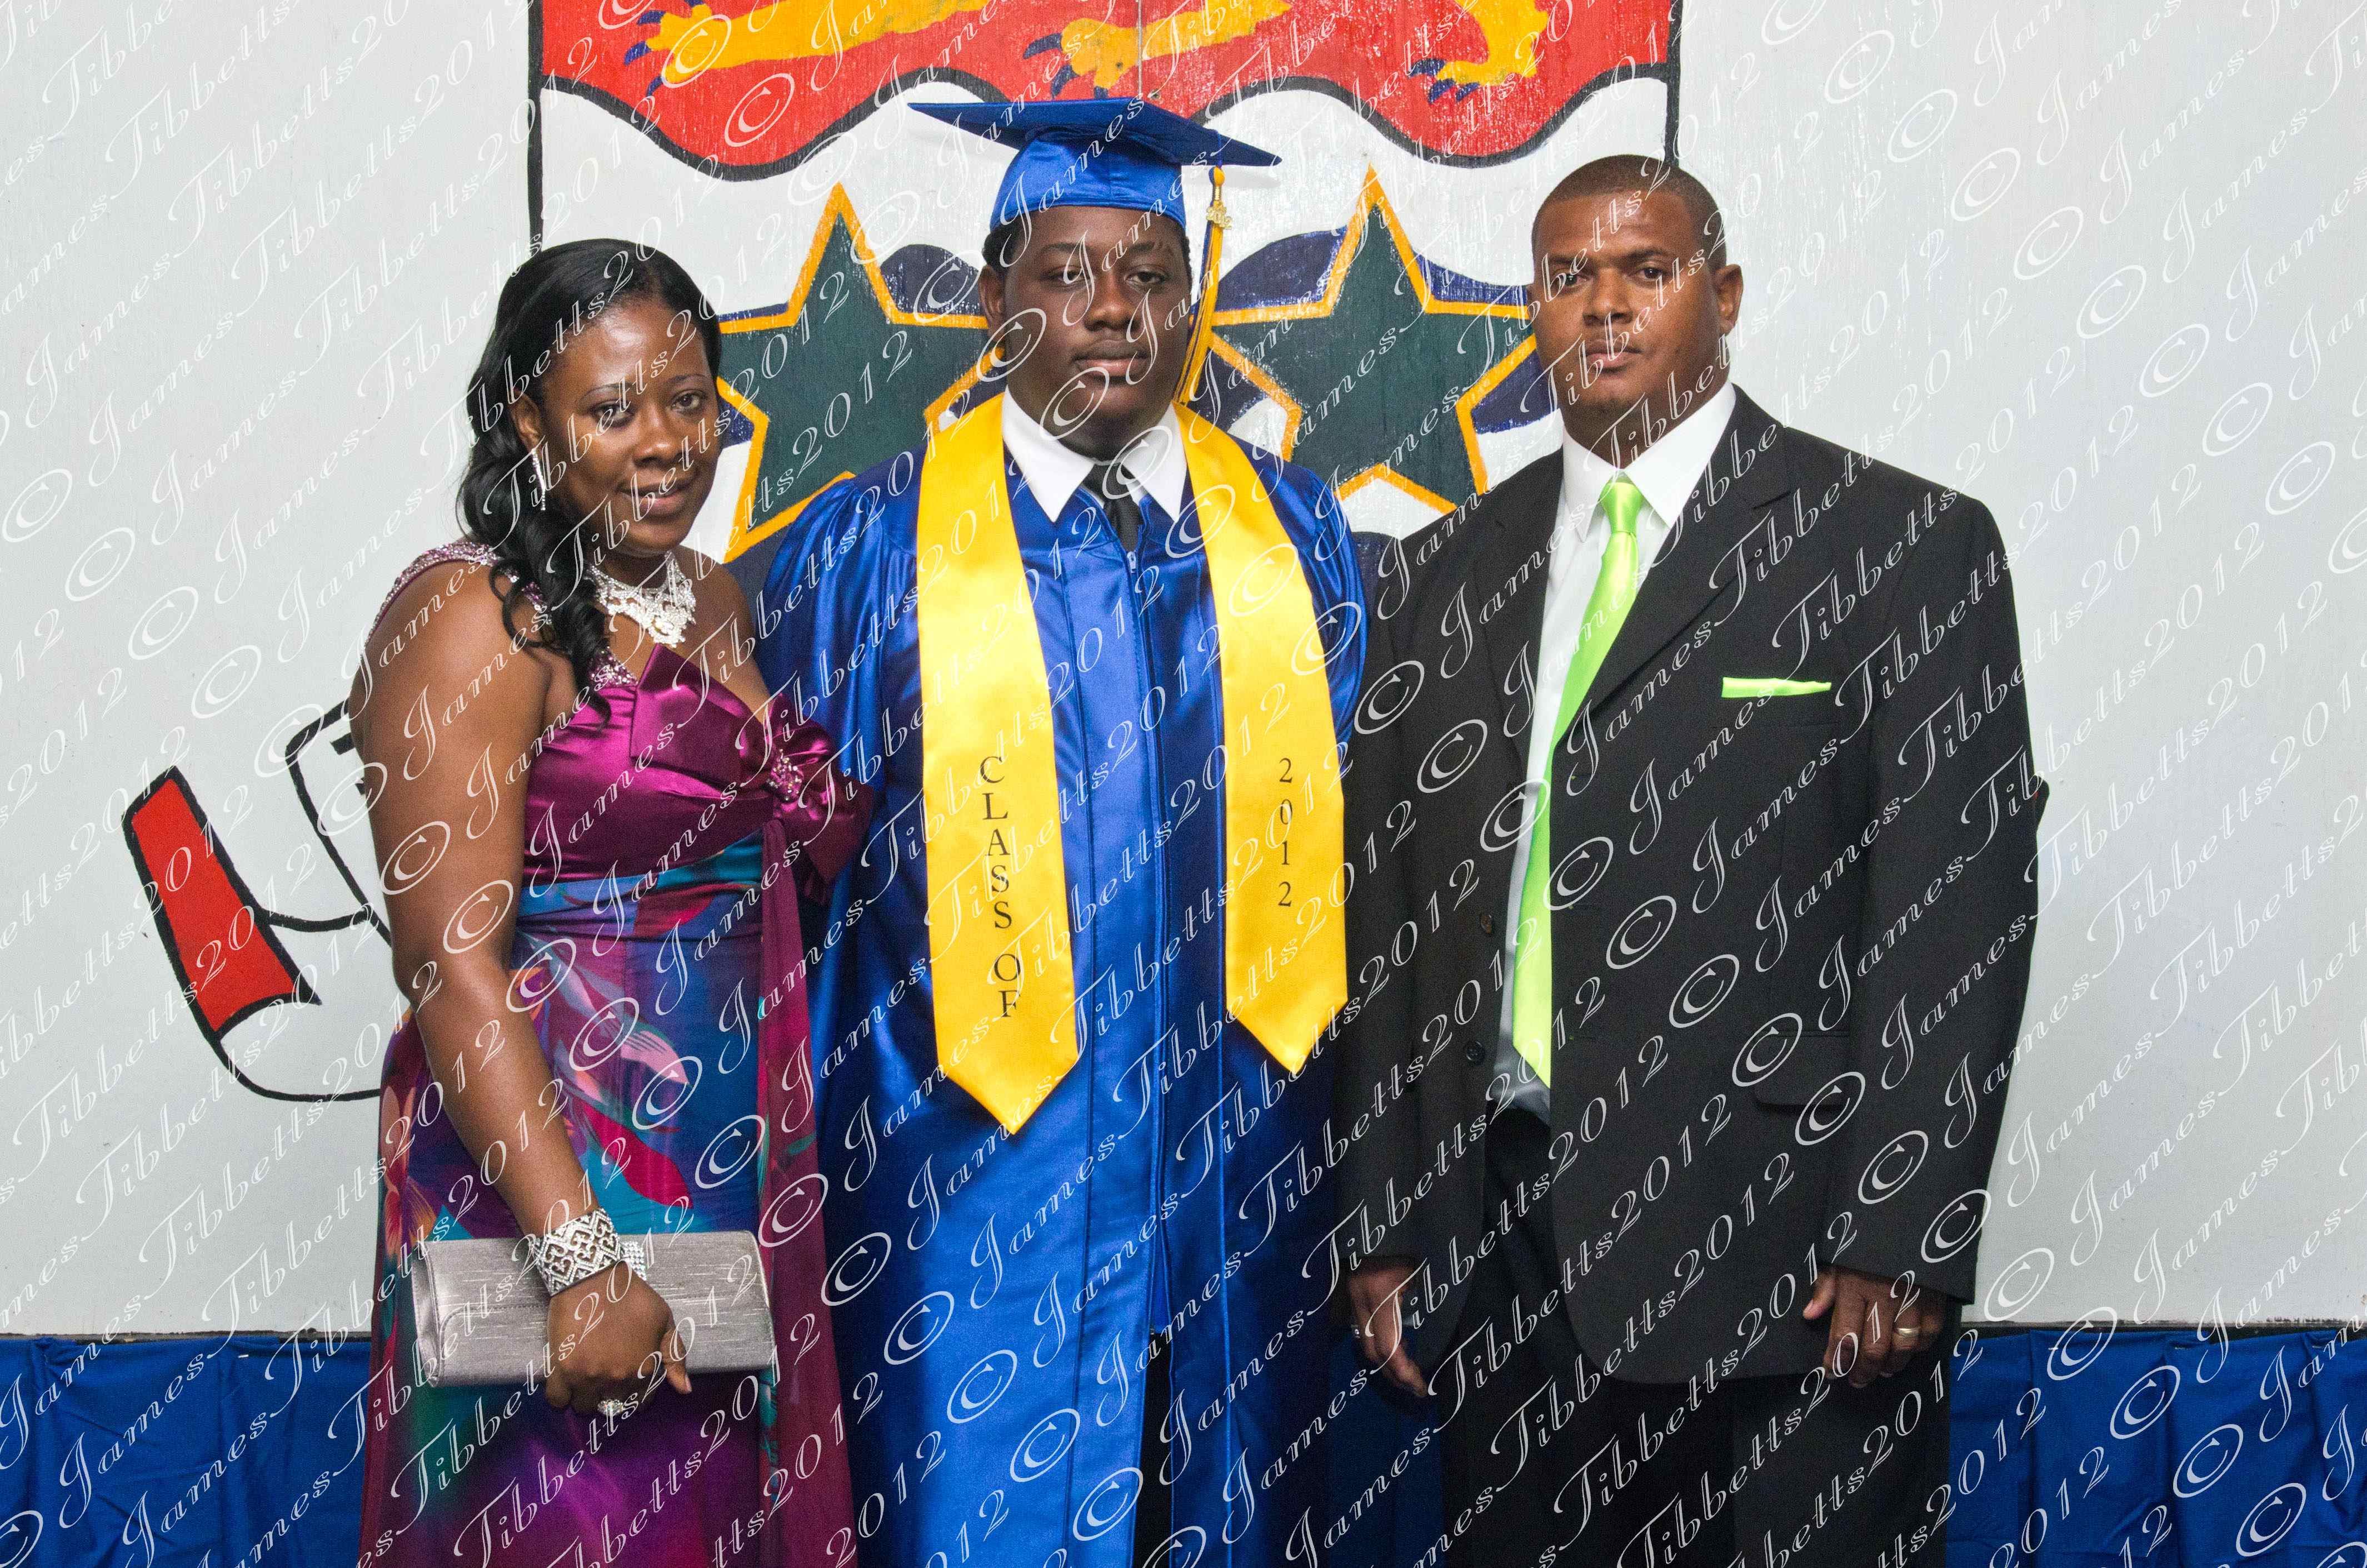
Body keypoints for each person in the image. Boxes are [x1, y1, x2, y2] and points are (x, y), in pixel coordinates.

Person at [1337, 157, 2047, 1568]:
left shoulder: (1900, 545)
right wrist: (1390, 1220)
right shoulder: (1441, 573)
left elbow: (1956, 906)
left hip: (1788, 1257)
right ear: (1533, 310)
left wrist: (1904, 1227)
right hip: (1508, 1255)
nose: (1602, 306)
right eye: (1567, 277)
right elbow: (1394, 919)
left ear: (1722, 294)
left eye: (1645, 272)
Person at [740, 99, 1364, 1568]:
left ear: (1194, 301)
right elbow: (777, 884)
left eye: (1150, 275)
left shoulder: (1289, 537)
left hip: (1239, 1178)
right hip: (957, 1195)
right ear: (991, 296)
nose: (1112, 310)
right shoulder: (869, 549)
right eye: (1066, 273)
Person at [349, 240, 867, 1568]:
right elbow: (451, 966)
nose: (668, 444)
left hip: (726, 1171)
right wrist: (579, 1259)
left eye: (689, 401)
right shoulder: (471, 618)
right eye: (614, 408)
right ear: (530, 422)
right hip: (558, 1179)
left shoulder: (711, 594)